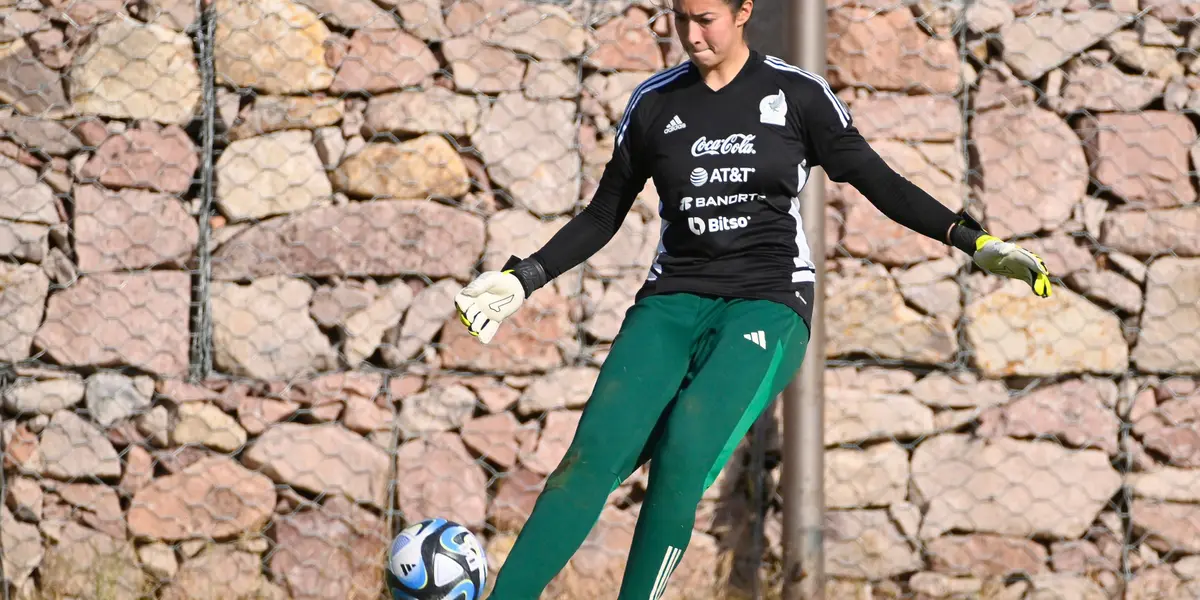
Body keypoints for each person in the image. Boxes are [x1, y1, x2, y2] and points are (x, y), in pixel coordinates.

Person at [452, 0, 1053, 595]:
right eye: (680, 18)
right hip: (670, 303)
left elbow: (878, 180)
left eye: (706, 18)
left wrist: (970, 239)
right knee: (586, 464)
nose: (692, 34)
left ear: (744, 12)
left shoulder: (797, 94)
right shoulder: (653, 103)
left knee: (683, 455)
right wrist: (522, 277)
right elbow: (605, 212)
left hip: (767, 302)